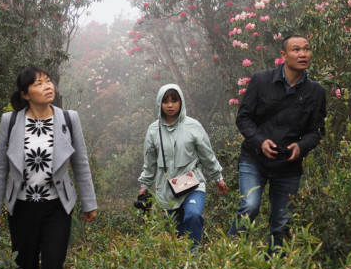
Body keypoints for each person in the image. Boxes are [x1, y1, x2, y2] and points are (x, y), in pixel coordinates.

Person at [0, 66, 97, 269]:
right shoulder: (11, 121)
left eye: (48, 82)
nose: (48, 87)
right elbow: (0, 167)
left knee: (53, 264)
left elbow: (81, 163)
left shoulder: (69, 118)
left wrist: (89, 203)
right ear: (25, 94)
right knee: (24, 267)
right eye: (39, 84)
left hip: (57, 207)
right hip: (22, 207)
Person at [228, 34, 326, 255]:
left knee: (281, 221)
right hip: (254, 159)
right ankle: (230, 257)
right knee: (250, 206)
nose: (303, 54)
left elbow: (317, 131)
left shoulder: (316, 92)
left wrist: (301, 146)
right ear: (283, 55)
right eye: (296, 49)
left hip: (288, 166)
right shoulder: (262, 80)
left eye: (307, 49)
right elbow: (243, 118)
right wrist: (260, 141)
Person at [137, 84, 228, 247]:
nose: (170, 105)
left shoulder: (193, 126)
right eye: (165, 101)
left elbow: (207, 154)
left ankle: (194, 261)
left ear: (181, 102)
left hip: (192, 183)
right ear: (160, 104)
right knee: (174, 233)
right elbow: (149, 162)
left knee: (193, 215)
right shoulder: (153, 130)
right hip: (167, 190)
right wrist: (145, 185)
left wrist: (217, 177)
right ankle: (182, 266)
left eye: (174, 101)